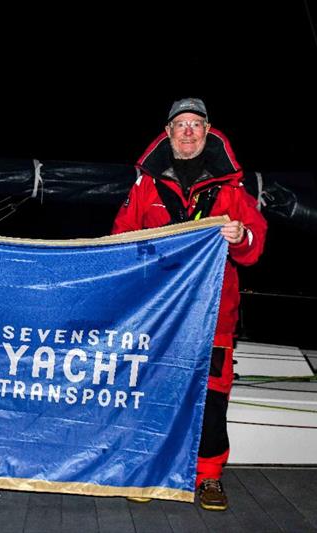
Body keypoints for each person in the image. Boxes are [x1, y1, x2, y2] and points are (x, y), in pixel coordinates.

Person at [112, 97, 267, 511]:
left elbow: (255, 244)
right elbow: (121, 239)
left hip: (214, 316)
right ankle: (148, 469)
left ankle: (209, 477)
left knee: (212, 397)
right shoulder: (146, 185)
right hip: (158, 317)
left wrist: (239, 238)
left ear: (207, 131)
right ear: (167, 133)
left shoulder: (232, 189)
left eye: (195, 125)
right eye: (179, 125)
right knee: (150, 391)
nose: (187, 132)